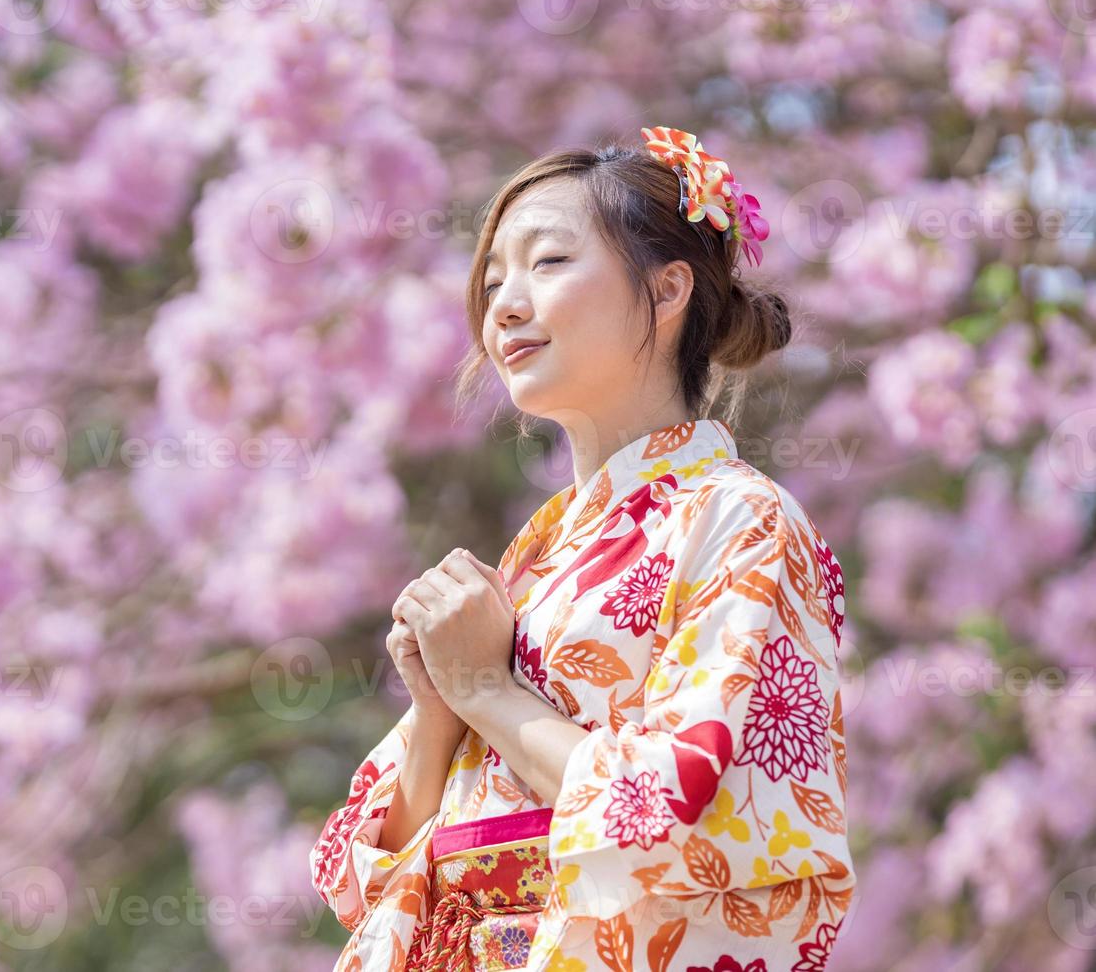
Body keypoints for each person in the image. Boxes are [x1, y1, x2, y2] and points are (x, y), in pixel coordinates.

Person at [308, 128, 855, 972]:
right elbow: (362, 877)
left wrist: (488, 689)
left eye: (548, 263)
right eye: (493, 281)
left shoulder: (741, 521)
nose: (505, 305)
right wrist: (439, 713)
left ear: (668, 288)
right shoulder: (540, 554)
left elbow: (706, 826)